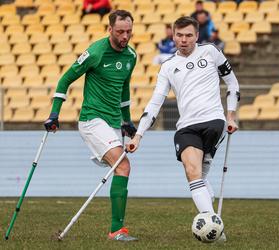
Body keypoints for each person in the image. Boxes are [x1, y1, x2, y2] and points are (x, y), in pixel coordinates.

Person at [127, 16, 240, 241]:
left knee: (197, 175)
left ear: (197, 36)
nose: (184, 40)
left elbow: (232, 83)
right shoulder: (168, 66)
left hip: (213, 122)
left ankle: (212, 226)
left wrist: (231, 115)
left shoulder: (211, 52)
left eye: (189, 35)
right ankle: (215, 228)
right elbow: (155, 103)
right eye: (179, 35)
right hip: (186, 127)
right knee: (195, 174)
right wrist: (138, 135)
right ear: (173, 36)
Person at [44, 10, 138, 241]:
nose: (125, 36)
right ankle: (117, 231)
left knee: (120, 168)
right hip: (92, 120)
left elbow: (124, 89)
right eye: (120, 32)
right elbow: (65, 79)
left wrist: (126, 120)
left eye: (128, 31)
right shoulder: (96, 52)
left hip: (113, 121)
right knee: (123, 165)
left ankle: (117, 229)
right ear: (110, 30)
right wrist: (54, 114)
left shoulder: (131, 56)